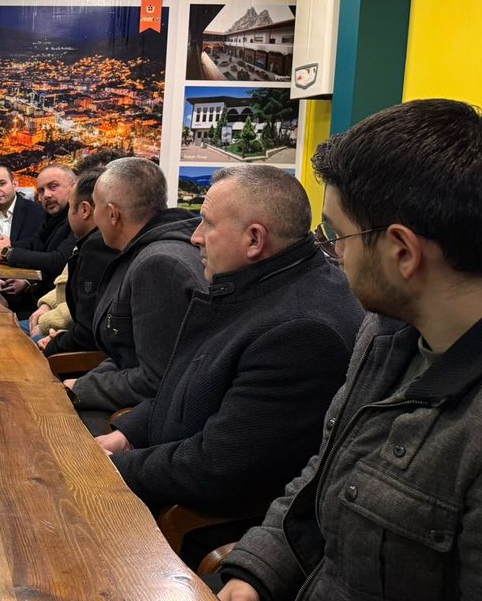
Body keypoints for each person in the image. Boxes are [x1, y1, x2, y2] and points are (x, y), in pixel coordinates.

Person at [219, 99, 482, 601]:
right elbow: (327, 471)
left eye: (338, 235)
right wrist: (255, 572)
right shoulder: (383, 335)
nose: (334, 253)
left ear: (402, 251)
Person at [95, 166, 363, 560]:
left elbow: (216, 466)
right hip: (167, 485)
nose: (195, 237)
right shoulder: (259, 285)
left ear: (254, 239)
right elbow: (190, 391)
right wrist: (127, 434)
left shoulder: (302, 331)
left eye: (207, 223)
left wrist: (115, 467)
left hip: (196, 533)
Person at [66, 157, 204, 431]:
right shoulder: (160, 249)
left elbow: (155, 379)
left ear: (112, 214)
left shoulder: (158, 264)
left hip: (142, 421)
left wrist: (81, 388)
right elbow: (128, 354)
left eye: (96, 207)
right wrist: (82, 383)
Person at [37, 165, 117, 355]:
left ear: (84, 210)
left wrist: (54, 338)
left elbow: (87, 331)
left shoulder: (97, 247)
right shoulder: (92, 242)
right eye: (41, 190)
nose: (46, 195)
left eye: (70, 207)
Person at [0, 164, 78, 321]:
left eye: (53, 186)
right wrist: (0, 246)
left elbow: (58, 260)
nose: (46, 195)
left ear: (74, 187)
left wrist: (7, 252)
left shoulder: (80, 218)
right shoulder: (53, 216)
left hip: (56, 308)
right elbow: (36, 242)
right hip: (41, 302)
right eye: (41, 191)